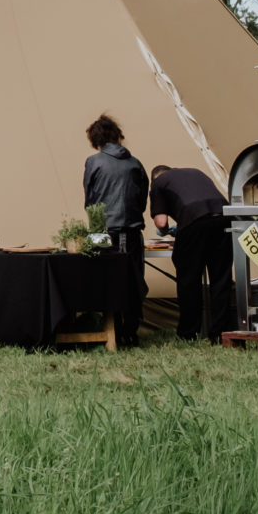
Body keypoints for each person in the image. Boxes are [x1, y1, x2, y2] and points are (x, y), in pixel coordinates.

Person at [82, 114, 150, 348]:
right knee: (133, 278)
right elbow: (142, 199)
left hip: (103, 228)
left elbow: (90, 198)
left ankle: (111, 329)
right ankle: (131, 331)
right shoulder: (135, 163)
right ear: (117, 135)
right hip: (131, 229)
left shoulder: (94, 162)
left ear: (95, 139)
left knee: (104, 279)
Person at [151, 161, 231, 343]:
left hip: (194, 224)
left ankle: (189, 334)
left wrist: (167, 231)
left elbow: (161, 222)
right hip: (224, 219)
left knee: (189, 280)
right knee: (220, 279)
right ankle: (220, 334)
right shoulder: (195, 172)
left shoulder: (158, 184)